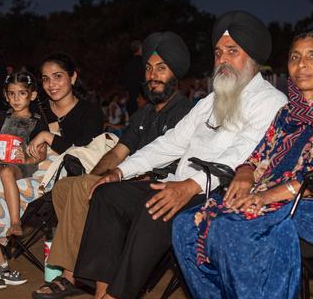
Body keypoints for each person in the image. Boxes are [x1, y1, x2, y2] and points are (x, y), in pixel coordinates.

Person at [73, 11, 287, 299]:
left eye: (232, 51)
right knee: (108, 195)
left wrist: (189, 187)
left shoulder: (271, 101)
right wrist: (121, 171)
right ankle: (102, 293)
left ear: (252, 57)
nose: (222, 59)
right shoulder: (210, 101)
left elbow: (242, 155)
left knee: (156, 208)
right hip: (179, 183)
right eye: (218, 52)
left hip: (218, 192)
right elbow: (169, 143)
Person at [172, 30, 313, 299]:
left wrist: (265, 197)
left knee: (234, 227)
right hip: (275, 200)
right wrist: (245, 173)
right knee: (185, 224)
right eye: (294, 57)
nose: (301, 65)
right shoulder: (287, 113)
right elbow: (257, 156)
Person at [32, 31, 195, 298]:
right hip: (124, 177)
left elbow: (177, 165)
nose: (152, 75)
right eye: (149, 68)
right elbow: (119, 151)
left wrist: (103, 182)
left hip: (154, 184)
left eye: (161, 69)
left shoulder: (185, 112)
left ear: (175, 74)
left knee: (90, 191)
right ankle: (78, 269)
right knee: (66, 187)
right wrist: (96, 175)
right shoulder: (143, 114)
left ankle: (71, 275)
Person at [0, 54, 103, 290]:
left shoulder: (89, 112)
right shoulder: (37, 108)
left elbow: (84, 149)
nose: (51, 84)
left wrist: (47, 136)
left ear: (73, 77)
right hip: (17, 164)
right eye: (46, 79)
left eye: (58, 76)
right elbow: (3, 139)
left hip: (60, 171)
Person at [0, 71, 47, 238]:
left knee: (6, 172)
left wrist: (27, 158)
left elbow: (42, 154)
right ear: (6, 96)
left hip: (20, 164)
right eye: (11, 94)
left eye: (22, 93)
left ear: (32, 95)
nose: (16, 98)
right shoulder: (1, 116)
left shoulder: (38, 121)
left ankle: (15, 222)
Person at [122, 39, 145, 115]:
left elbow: (125, 85)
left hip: (131, 101)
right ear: (141, 48)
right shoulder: (143, 63)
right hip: (142, 100)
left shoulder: (127, 65)